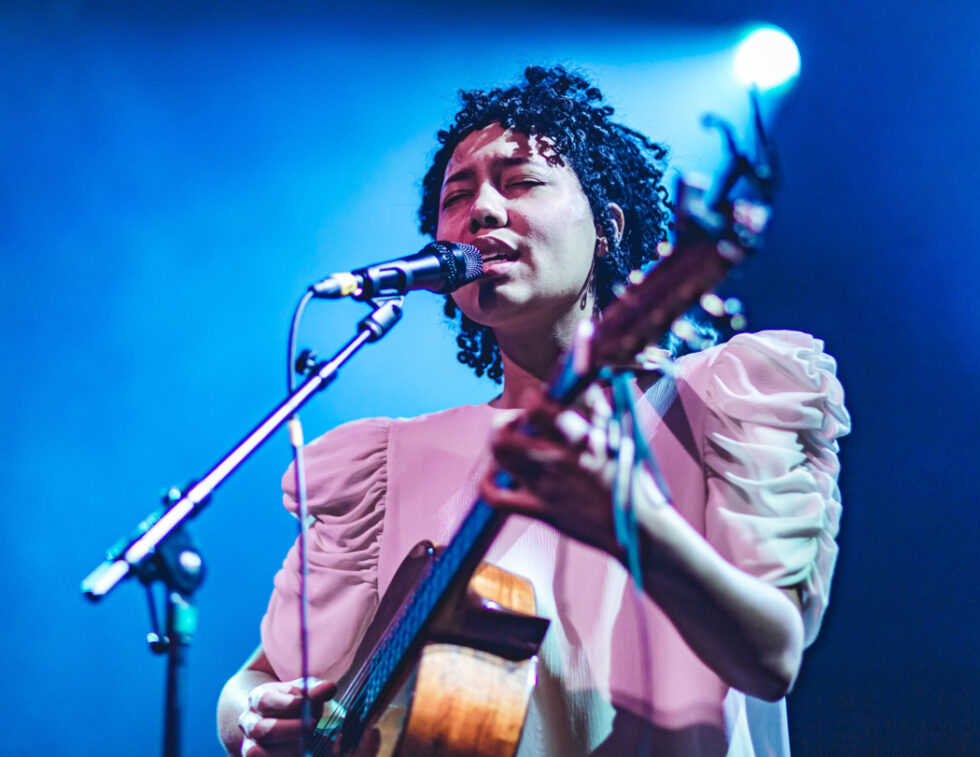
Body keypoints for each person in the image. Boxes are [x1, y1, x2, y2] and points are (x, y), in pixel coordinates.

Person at [217, 65, 850, 756]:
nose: (482, 210)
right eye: (458, 196)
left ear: (607, 228)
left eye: (519, 182)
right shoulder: (384, 461)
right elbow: (257, 679)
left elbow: (771, 658)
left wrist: (638, 525)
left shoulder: (718, 401)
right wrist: (257, 717)